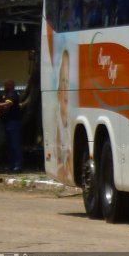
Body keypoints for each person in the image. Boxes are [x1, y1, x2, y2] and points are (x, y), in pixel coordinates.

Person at [0, 80, 23, 172]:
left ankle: (18, 166)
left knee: (15, 145)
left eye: (6, 85)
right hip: (7, 122)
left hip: (13, 123)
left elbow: (7, 104)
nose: (5, 87)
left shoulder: (13, 94)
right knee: (10, 145)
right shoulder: (6, 94)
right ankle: (12, 165)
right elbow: (2, 100)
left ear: (12, 86)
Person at [56, 50, 72, 180]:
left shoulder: (71, 127)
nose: (66, 90)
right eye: (63, 82)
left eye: (68, 83)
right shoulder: (58, 130)